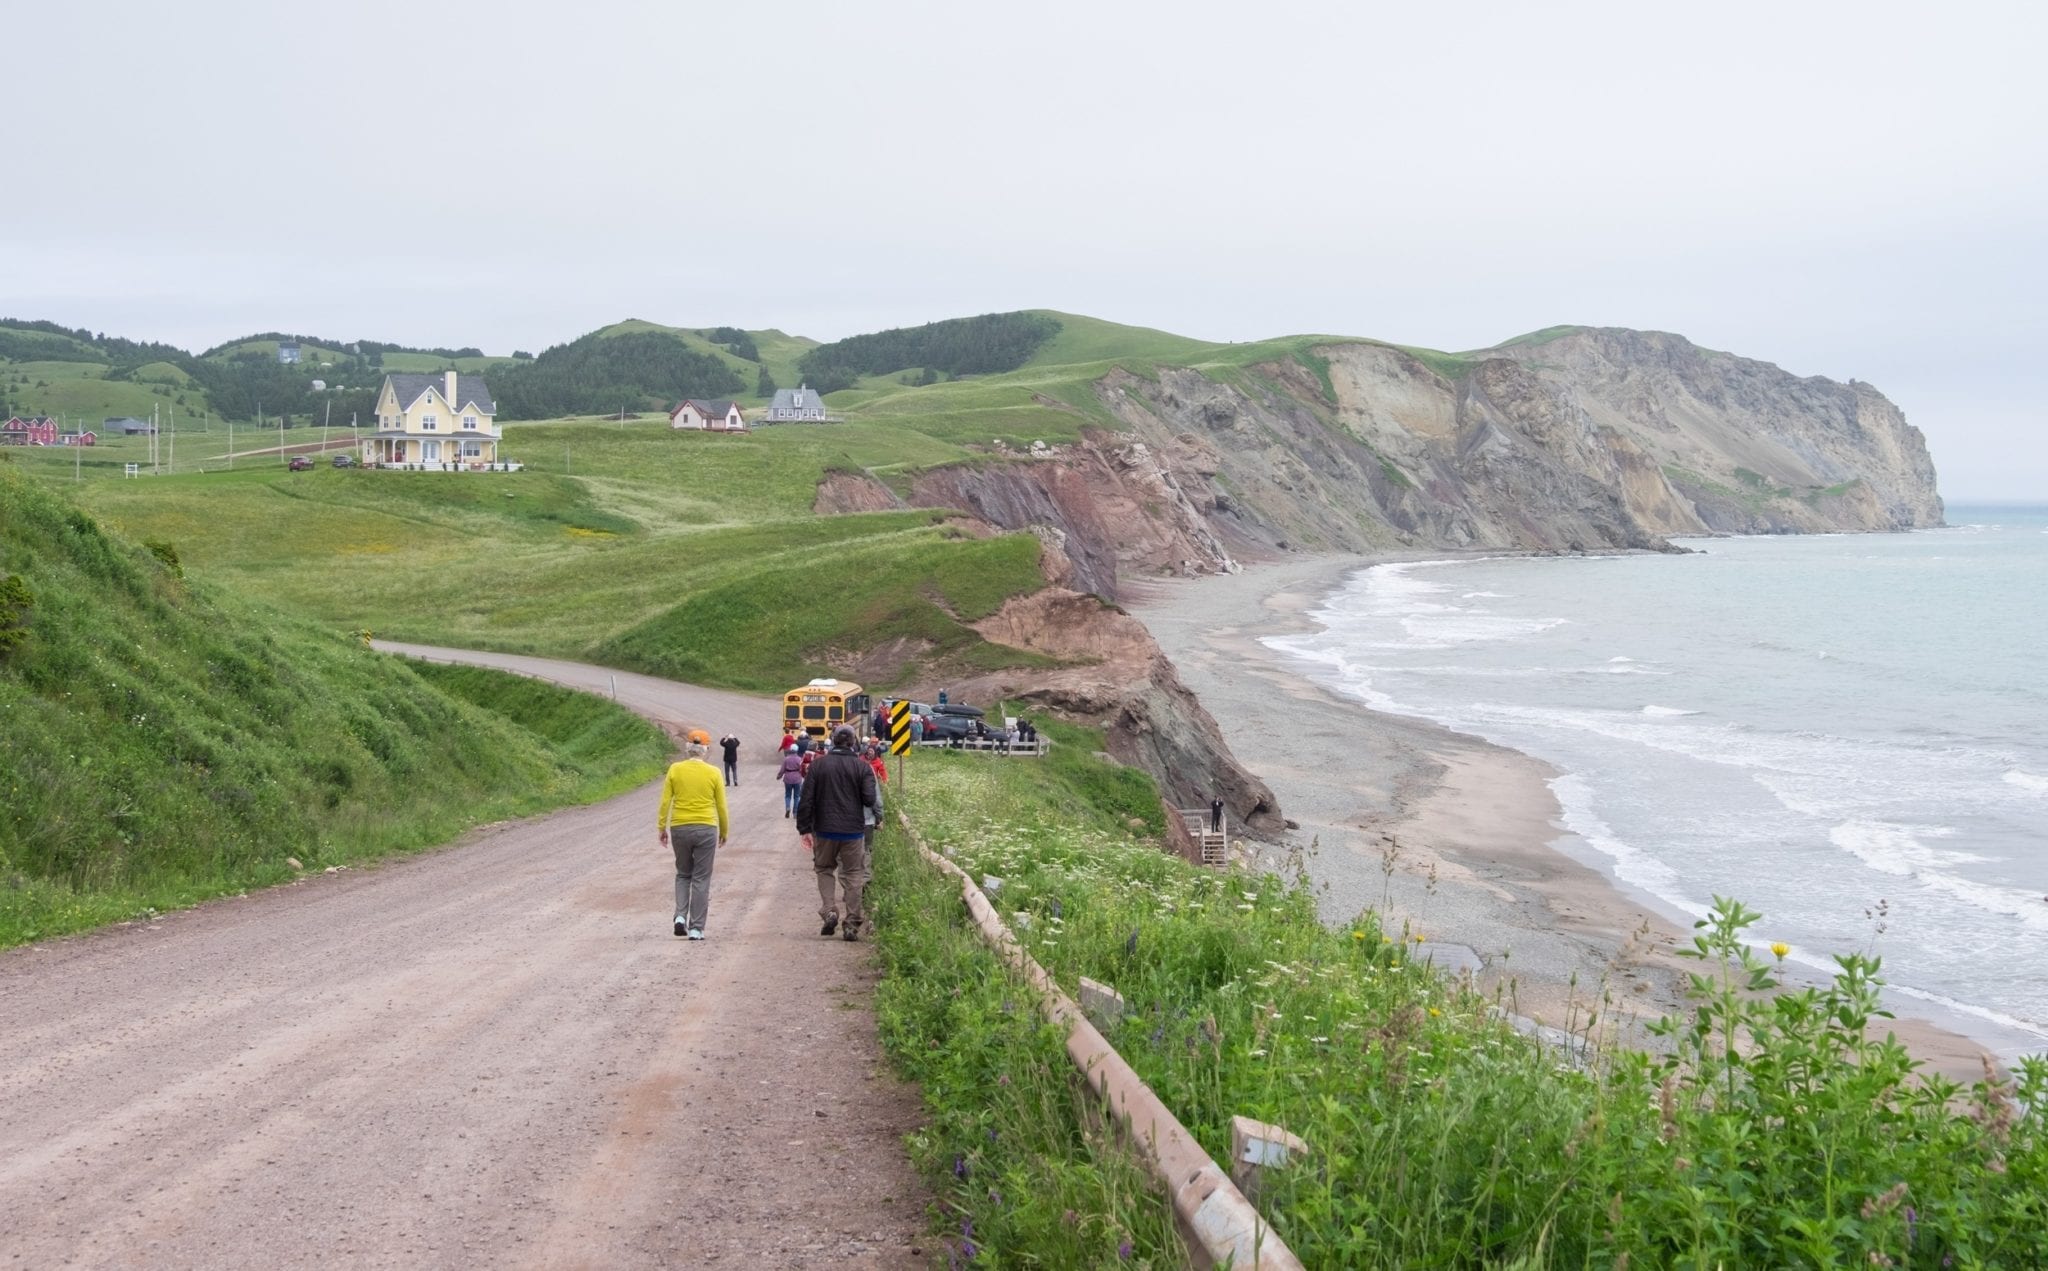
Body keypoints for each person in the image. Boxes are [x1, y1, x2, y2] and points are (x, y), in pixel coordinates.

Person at [796, 726, 879, 942]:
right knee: (853, 874)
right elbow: (870, 799)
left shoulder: (818, 765)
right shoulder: (862, 768)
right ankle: (852, 923)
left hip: (824, 830)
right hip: (853, 832)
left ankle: (830, 910)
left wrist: (804, 828)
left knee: (824, 868)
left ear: (832, 741)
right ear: (853, 743)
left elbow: (806, 799)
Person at [656, 734, 728, 940]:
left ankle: (680, 916)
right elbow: (721, 805)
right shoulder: (713, 772)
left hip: (680, 827)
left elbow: (665, 801)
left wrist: (662, 827)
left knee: (683, 874)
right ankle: (696, 928)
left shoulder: (675, 769)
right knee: (701, 878)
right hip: (706, 827)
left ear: (688, 748)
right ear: (705, 750)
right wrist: (724, 830)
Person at [779, 745, 805, 817]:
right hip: (797, 778)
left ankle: (787, 807)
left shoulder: (786, 759)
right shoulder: (799, 759)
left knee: (788, 795)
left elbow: (782, 770)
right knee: (797, 796)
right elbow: (802, 769)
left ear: (790, 750)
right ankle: (795, 813)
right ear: (797, 750)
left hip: (788, 778)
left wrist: (779, 776)